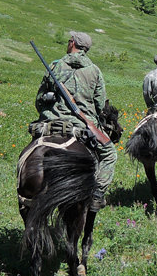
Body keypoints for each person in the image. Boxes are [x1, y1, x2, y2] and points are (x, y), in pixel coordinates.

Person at [32, 31, 117, 208]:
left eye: (69, 40)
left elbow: (39, 101)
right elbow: (100, 104)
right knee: (109, 154)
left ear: (72, 44)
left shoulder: (55, 66)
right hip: (80, 125)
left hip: (50, 123)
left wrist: (47, 108)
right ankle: (97, 194)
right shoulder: (94, 71)